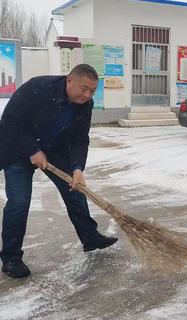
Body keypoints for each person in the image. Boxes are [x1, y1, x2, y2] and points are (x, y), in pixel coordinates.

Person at [0, 64, 117, 278]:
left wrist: (77, 168)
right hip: (17, 149)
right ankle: (10, 258)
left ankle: (90, 237)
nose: (87, 94)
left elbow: (81, 138)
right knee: (19, 202)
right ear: (69, 80)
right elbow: (9, 122)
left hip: (53, 150)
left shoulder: (85, 104)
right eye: (84, 88)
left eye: (92, 90)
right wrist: (32, 150)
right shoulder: (38, 88)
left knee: (76, 190)